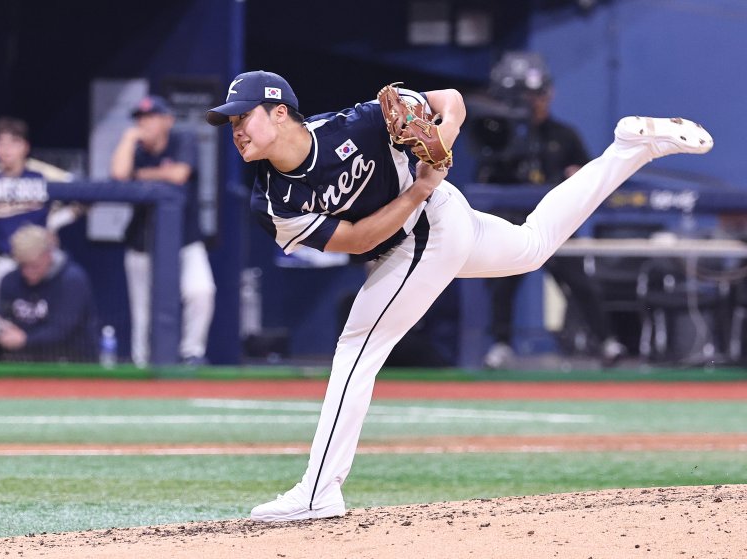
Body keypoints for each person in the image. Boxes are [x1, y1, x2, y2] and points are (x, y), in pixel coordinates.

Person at [205, 70, 712, 521]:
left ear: (279, 111)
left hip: (429, 229)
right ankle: (631, 148)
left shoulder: (355, 123)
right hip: (423, 221)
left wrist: (440, 141)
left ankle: (318, 492)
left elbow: (451, 100)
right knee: (533, 246)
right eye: (230, 122)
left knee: (356, 349)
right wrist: (419, 189)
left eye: (243, 116)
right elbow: (356, 240)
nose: (236, 130)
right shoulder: (271, 201)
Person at [478, 79, 627, 370]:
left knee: (579, 282)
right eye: (529, 96)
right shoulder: (505, 132)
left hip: (558, 225)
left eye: (540, 95)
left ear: (549, 95)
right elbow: (487, 174)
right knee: (502, 283)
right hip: (515, 222)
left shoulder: (564, 135)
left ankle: (607, 341)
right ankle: (500, 345)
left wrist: (577, 174)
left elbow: (589, 174)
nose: (535, 102)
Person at [110, 95, 216, 367]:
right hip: (141, 242)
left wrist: (139, 176)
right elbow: (119, 175)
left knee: (201, 292)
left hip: (185, 240)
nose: (144, 123)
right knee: (142, 310)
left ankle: (191, 353)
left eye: (151, 117)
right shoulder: (135, 149)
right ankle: (142, 361)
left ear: (167, 120)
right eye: (140, 118)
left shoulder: (183, 140)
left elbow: (179, 174)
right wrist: (128, 139)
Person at [0, 117, 79, 309]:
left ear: (25, 146)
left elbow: (87, 196)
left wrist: (55, 223)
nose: (6, 149)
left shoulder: (43, 174)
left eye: (13, 143)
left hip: (41, 263)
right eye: (0, 143)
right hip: (2, 262)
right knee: (3, 316)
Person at [0, 224, 97, 362]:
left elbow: (62, 330)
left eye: (34, 266)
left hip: (70, 360)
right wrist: (0, 331)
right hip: (23, 361)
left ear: (48, 256)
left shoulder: (72, 281)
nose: (27, 272)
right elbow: (4, 317)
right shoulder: (9, 281)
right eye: (22, 266)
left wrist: (25, 339)